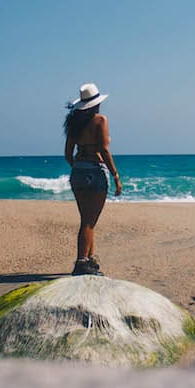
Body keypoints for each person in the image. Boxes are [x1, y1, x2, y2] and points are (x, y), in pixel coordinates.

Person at [64, 82, 122, 276]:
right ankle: (81, 263)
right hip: (95, 171)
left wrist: (78, 167)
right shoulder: (100, 120)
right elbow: (104, 150)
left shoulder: (74, 124)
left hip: (78, 171)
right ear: (96, 104)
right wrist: (115, 175)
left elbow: (67, 153)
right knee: (89, 221)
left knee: (87, 220)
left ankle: (90, 259)